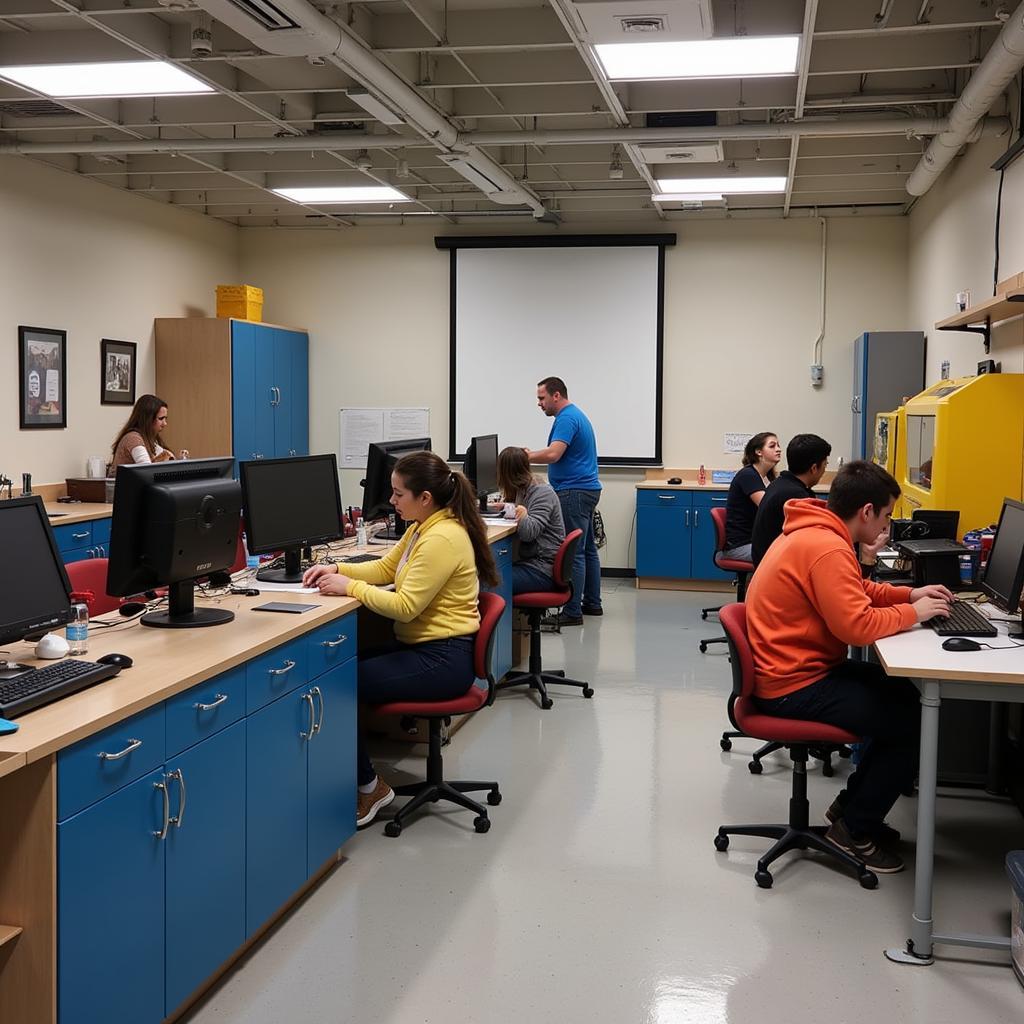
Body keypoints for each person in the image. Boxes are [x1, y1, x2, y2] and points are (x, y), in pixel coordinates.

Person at [745, 460, 953, 873]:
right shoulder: (826, 547)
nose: (887, 526)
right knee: (911, 719)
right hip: (793, 684)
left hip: (797, 668)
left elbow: (855, 590)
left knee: (902, 695)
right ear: (866, 512)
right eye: (888, 515)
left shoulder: (818, 533)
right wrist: (915, 615)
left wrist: (908, 597)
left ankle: (851, 807)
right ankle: (854, 827)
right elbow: (857, 627)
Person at [302, 451, 499, 828]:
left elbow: (406, 606)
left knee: (341, 685)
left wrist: (350, 587)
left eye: (398, 494)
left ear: (425, 497)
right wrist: (338, 567)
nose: (391, 501)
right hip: (426, 646)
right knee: (346, 666)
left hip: (443, 658)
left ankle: (368, 786)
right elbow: (387, 567)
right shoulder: (424, 526)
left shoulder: (442, 537)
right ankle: (357, 777)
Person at [526, 376, 601, 625]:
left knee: (575, 552)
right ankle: (592, 603)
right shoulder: (574, 415)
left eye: (541, 398)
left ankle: (572, 612)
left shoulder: (567, 418)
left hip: (573, 492)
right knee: (588, 548)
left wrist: (525, 457)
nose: (539, 404)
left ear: (556, 395)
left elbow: (554, 454)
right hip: (585, 489)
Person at [750, 433, 831, 567]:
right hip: (775, 566)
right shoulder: (795, 495)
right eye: (825, 465)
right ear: (814, 468)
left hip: (766, 560)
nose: (824, 471)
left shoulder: (781, 483)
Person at [496, 446, 566, 593]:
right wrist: (506, 506)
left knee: (490, 584)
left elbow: (529, 534)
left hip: (542, 569)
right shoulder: (524, 488)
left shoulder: (542, 492)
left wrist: (521, 513)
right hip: (531, 562)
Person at [722, 431, 782, 562]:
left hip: (755, 540)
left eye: (778, 445)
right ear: (759, 452)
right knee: (786, 558)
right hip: (740, 545)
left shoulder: (767, 477)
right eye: (772, 446)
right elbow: (768, 507)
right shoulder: (748, 475)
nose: (778, 449)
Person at [109, 394, 176, 470]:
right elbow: (147, 470)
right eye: (161, 419)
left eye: (165, 419)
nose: (165, 424)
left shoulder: (152, 439)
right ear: (148, 419)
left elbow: (168, 458)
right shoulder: (133, 438)